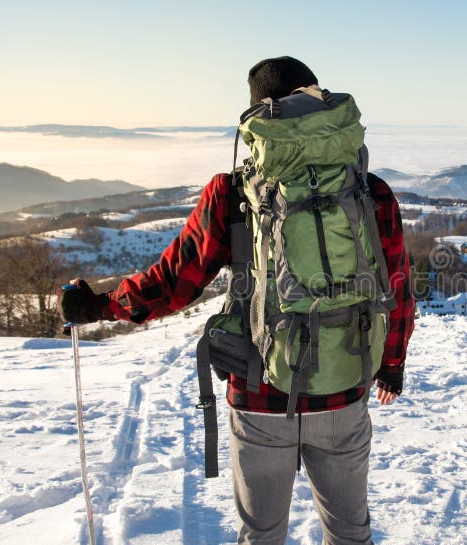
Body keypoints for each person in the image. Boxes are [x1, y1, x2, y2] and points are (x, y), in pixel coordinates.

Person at [59, 56, 415, 545]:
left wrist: (98, 305)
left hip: (260, 393)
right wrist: (390, 365)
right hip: (344, 386)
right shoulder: (371, 192)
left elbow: (172, 284)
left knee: (262, 535)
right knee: (351, 535)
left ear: (259, 116)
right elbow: (396, 289)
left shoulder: (232, 192)